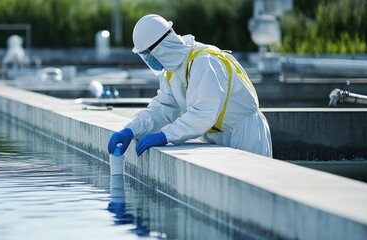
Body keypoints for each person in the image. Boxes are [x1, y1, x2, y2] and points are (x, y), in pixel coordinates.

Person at [107, 14, 272, 158]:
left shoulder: (204, 62)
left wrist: (166, 136)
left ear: (160, 49)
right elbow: (162, 111)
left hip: (245, 133)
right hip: (218, 135)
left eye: (147, 55)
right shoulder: (173, 71)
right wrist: (131, 129)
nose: (148, 60)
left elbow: (203, 114)